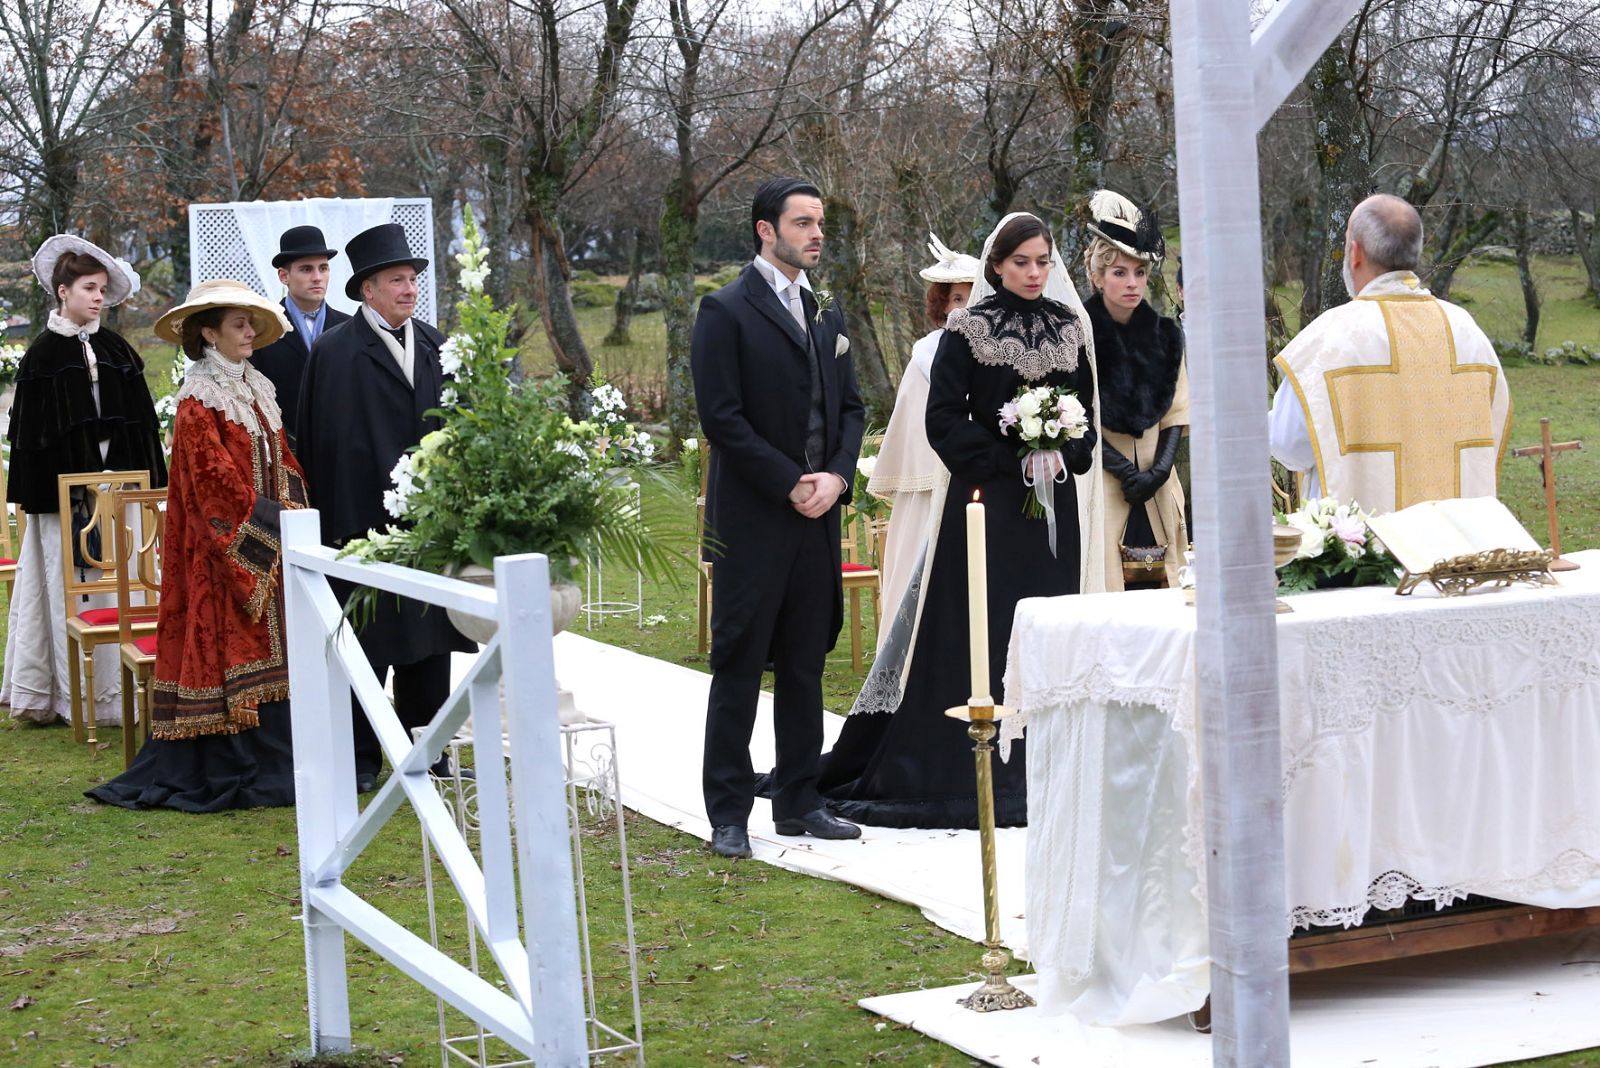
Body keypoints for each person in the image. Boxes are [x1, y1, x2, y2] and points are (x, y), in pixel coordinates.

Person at [815, 212, 1104, 829]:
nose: (1033, 272)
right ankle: (961, 769)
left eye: (1043, 261)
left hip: (1052, 514)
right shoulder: (968, 328)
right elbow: (944, 419)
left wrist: (1060, 446)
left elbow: (1087, 418)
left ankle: (1041, 765)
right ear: (996, 265)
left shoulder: (1069, 327)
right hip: (986, 507)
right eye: (1021, 261)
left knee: (1045, 625)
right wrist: (1011, 456)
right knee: (981, 625)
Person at [691, 175, 867, 859]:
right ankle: (729, 812)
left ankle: (799, 800)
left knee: (804, 664)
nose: (816, 233)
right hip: (756, 522)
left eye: (820, 222)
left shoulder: (827, 312)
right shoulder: (724, 311)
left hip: (818, 517)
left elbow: (850, 410)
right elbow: (722, 419)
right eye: (802, 223)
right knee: (737, 666)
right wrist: (790, 482)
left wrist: (838, 477)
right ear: (766, 230)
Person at [88, 280, 306, 810]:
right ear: (209, 333)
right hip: (220, 553)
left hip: (269, 543)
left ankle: (280, 759)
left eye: (251, 323)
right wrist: (268, 525)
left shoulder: (258, 387)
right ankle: (233, 760)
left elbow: (282, 459)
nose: (250, 332)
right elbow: (212, 484)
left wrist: (298, 509)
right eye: (238, 324)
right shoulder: (197, 400)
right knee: (230, 644)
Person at [295, 223, 473, 793]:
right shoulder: (335, 353)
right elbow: (317, 446)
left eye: (413, 278)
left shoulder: (436, 344)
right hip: (360, 529)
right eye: (397, 279)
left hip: (428, 528)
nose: (409, 288)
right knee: (365, 648)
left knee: (430, 645)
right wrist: (335, 532)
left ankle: (428, 748)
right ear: (368, 289)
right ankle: (359, 758)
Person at [2, 236, 167, 726]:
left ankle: (126, 693)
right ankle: (63, 695)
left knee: (125, 585)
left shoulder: (118, 350)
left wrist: (145, 488)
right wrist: (56, 496)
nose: (97, 298)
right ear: (62, 291)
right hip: (63, 500)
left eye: (101, 290)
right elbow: (31, 439)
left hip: (122, 494)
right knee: (63, 586)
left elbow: (142, 427)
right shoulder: (42, 357)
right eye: (88, 288)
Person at [1269, 194, 1511, 512]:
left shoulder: (1333, 336)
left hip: (1366, 552)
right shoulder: (1465, 330)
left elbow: (1290, 445)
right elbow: (1487, 433)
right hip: (1454, 547)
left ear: (1354, 253)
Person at [864, 234, 978, 636]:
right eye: (959, 299)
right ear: (944, 306)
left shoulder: (999, 354)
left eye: (974, 296)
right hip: (931, 489)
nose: (967, 307)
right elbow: (912, 425)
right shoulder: (926, 356)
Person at [1081, 190, 1189, 590]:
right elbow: (1076, 419)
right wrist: (1126, 472)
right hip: (1104, 481)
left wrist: (1158, 472)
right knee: (1110, 588)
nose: (1132, 283)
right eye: (1119, 273)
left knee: (1164, 588)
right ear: (1097, 277)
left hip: (1158, 486)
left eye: (1139, 273)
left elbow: (1178, 411)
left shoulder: (1165, 334)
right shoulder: (1080, 336)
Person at [250, 225, 351, 449]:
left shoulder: (350, 327)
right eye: (306, 269)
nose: (317, 277)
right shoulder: (263, 329)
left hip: (342, 451)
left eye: (323, 268)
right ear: (283, 275)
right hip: (283, 453)